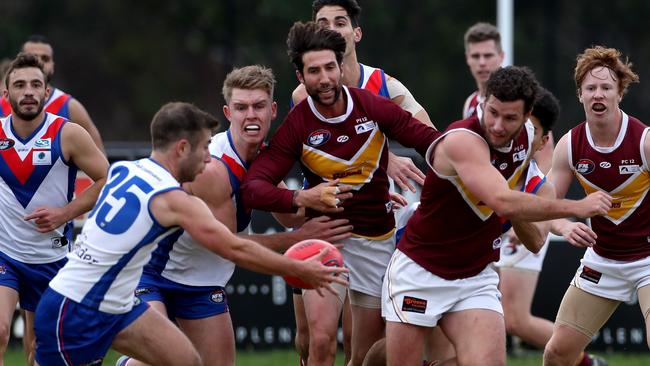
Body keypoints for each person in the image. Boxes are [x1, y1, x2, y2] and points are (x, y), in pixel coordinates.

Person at [33, 101, 349, 366]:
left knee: (187, 361)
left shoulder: (124, 169)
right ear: (182, 148)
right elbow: (234, 249)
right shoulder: (173, 200)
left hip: (117, 304)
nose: (210, 158)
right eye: (205, 147)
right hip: (73, 311)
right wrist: (299, 268)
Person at [120, 66, 353, 366]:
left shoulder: (263, 158)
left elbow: (290, 217)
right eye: (241, 108)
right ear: (228, 113)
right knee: (164, 361)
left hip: (203, 281)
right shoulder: (214, 168)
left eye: (258, 106)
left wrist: (324, 191)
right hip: (155, 273)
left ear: (272, 110)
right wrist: (299, 240)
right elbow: (230, 246)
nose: (250, 115)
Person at [382, 66, 612, 366]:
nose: (499, 125)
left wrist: (533, 213)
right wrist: (576, 207)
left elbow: (535, 236)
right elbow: (503, 202)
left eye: (510, 118)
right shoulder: (462, 139)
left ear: (527, 116)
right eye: (492, 113)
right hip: (420, 270)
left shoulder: (530, 136)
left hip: (475, 277)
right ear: (483, 102)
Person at [242, 21, 440, 366]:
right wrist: (303, 198)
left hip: (377, 240)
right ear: (301, 77)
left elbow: (428, 141)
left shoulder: (371, 106)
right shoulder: (298, 124)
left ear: (342, 67)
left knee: (366, 355)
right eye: (314, 71)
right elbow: (253, 189)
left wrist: (470, 158)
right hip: (326, 242)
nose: (325, 78)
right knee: (319, 343)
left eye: (330, 67)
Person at [0, 52, 108, 365]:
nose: (28, 91)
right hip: (5, 254)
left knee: (39, 346)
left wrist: (65, 213)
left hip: (51, 259)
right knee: (1, 330)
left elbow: (108, 179)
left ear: (48, 92)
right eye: (19, 85)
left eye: (36, 84)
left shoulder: (68, 133)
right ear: (6, 95)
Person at [542, 46, 648, 366]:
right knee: (557, 354)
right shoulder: (570, 146)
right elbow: (544, 207)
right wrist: (566, 224)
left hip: (647, 260)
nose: (597, 94)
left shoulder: (643, 141)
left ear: (619, 93)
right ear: (580, 95)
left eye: (606, 87)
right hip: (603, 260)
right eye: (590, 88)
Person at [0, 35, 104, 152]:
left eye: (45, 58)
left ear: (53, 65)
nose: (39, 62)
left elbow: (99, 155)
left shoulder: (70, 107)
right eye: (33, 57)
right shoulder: (2, 104)